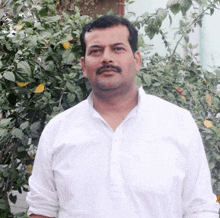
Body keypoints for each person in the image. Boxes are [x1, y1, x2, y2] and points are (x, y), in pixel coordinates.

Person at [26, 15, 219, 218]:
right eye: (96, 51)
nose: (106, 58)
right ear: (83, 66)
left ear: (136, 60)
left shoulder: (178, 123)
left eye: (117, 48)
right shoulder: (58, 130)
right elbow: (42, 209)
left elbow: (200, 208)